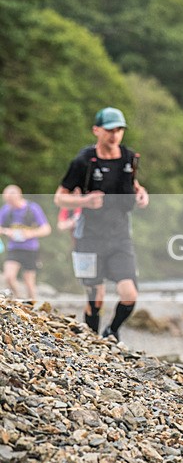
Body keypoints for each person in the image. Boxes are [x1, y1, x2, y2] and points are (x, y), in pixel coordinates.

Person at [54, 107, 149, 341]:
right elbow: (59, 197)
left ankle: (112, 331)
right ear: (97, 130)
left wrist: (142, 194)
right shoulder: (84, 161)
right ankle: (92, 340)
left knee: (130, 294)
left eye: (119, 130)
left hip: (120, 237)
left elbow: (135, 185)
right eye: (109, 130)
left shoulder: (129, 158)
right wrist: (85, 200)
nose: (115, 135)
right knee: (95, 298)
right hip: (89, 237)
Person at [0, 185, 52, 301]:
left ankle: (34, 306)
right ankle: (18, 299)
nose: (10, 204)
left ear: (19, 195)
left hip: (30, 249)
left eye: (11, 201)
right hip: (13, 248)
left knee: (29, 281)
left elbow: (46, 229)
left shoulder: (32, 208)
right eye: (7, 201)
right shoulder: (6, 210)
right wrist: (6, 231)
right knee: (8, 277)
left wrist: (29, 233)